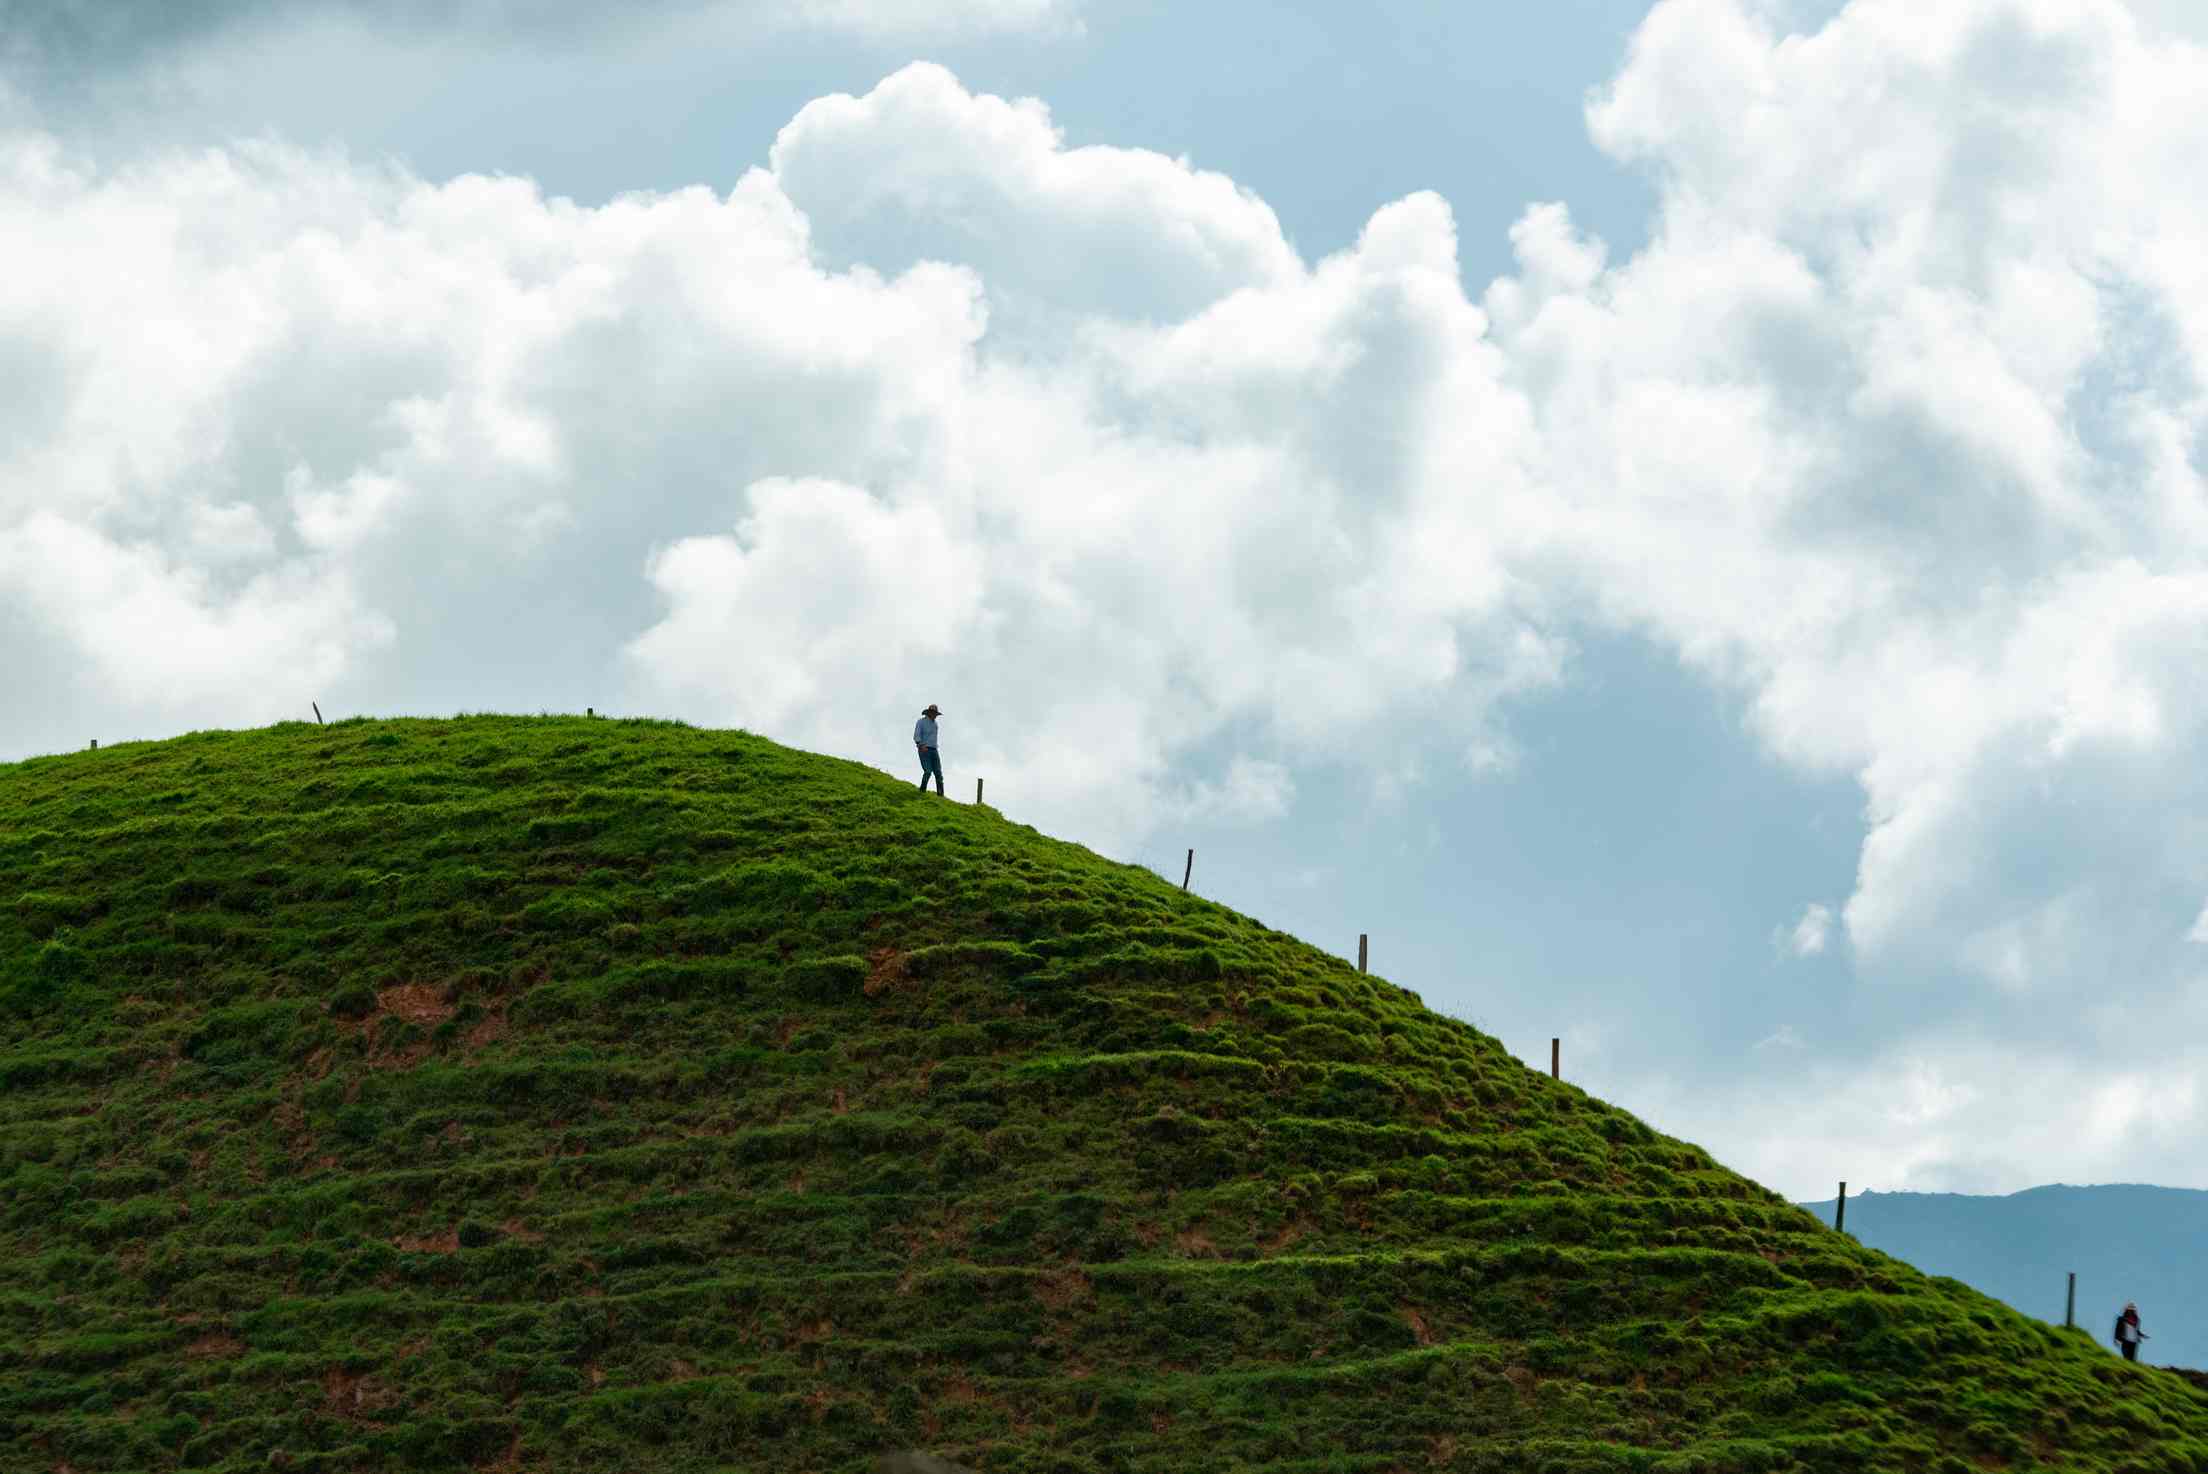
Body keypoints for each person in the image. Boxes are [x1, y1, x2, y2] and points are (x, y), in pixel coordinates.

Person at [913, 704, 945, 796]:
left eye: (936, 714)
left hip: (934, 749)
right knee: (928, 771)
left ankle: (940, 794)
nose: (935, 715)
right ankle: (922, 791)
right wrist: (920, 745)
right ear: (929, 712)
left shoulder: (935, 724)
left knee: (938, 772)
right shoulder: (921, 722)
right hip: (924, 749)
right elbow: (917, 734)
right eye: (933, 713)